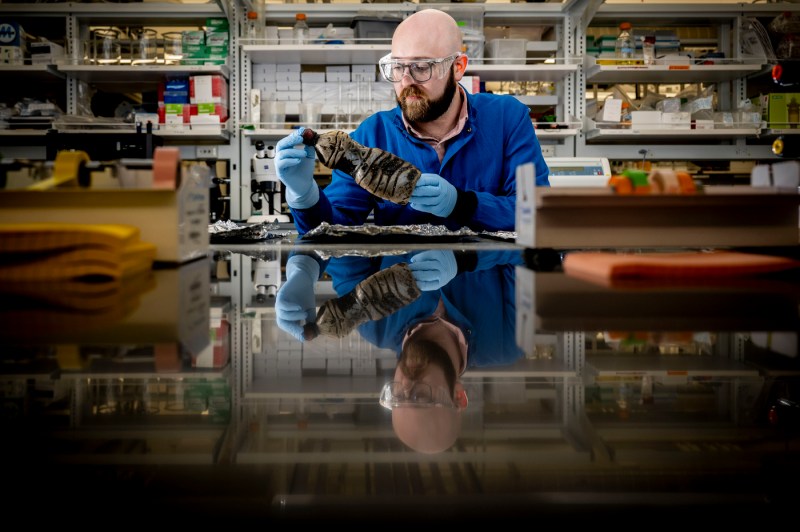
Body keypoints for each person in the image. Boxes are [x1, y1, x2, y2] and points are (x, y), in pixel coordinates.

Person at [275, 8, 550, 235]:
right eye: (397, 66)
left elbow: (536, 213)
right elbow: (333, 229)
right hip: (400, 293)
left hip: (485, 289)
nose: (406, 80)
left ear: (458, 67)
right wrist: (304, 194)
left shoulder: (507, 119)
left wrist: (463, 204)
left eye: (421, 67)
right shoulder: (373, 134)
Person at [275, 246, 526, 453]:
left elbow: (339, 241)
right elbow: (533, 250)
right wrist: (466, 257)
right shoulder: (507, 339)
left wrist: (305, 267)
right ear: (459, 397)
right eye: (421, 397)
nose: (407, 384)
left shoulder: (375, 325)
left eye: (398, 397)